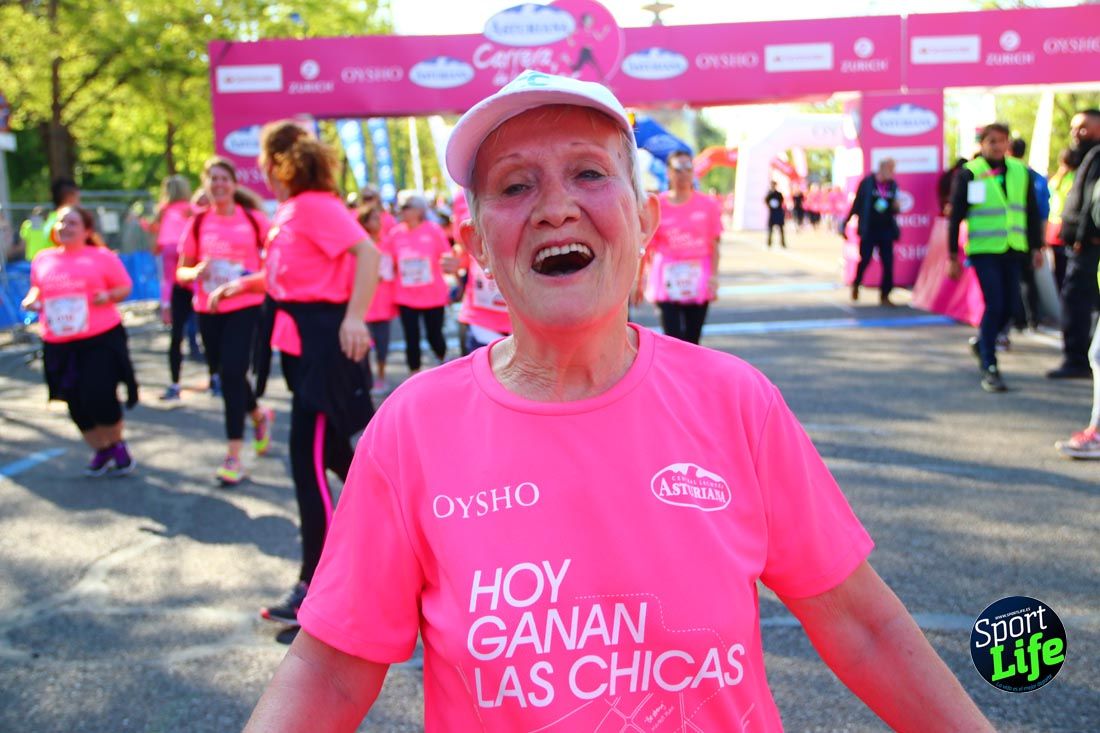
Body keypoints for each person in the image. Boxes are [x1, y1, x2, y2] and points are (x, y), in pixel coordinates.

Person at [245, 70, 993, 733]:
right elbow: (332, 668)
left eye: (590, 174)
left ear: (646, 220)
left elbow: (861, 625)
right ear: (475, 244)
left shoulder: (735, 402)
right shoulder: (412, 429)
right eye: (515, 185)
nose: (555, 207)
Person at [210, 120, 379, 624]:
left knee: (308, 465)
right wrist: (243, 286)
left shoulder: (313, 206)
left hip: (324, 345)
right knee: (341, 462)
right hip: (302, 343)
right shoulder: (291, 210)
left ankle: (315, 586)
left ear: (274, 161)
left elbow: (367, 253)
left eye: (263, 156)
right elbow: (292, 277)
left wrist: (353, 317)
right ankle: (415, 537)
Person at [176, 158, 274, 486]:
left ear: (233, 184)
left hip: (245, 303)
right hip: (208, 307)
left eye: (223, 178)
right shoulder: (198, 222)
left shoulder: (254, 219)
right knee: (224, 372)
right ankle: (259, 415)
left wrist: (252, 280)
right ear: (206, 184)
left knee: (233, 372)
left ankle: (233, 455)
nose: (218, 184)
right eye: (212, 179)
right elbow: (181, 271)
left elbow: (272, 261)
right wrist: (195, 273)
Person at [21, 206, 137, 475]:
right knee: (75, 401)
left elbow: (124, 287)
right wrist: (32, 300)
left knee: (98, 394)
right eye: (62, 222)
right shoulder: (43, 258)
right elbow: (37, 288)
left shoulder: (101, 257)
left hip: (99, 338)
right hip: (59, 342)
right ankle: (102, 450)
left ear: (86, 230)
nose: (65, 227)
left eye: (72, 223)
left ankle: (117, 444)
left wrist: (107, 297)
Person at [947, 123, 1044, 393]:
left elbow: (1032, 213)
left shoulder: (1019, 172)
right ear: (982, 143)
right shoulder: (970, 173)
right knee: (996, 303)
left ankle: (982, 342)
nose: (997, 146)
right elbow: (955, 217)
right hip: (984, 250)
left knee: (1013, 307)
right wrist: (952, 255)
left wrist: (1037, 247)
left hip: (1014, 248)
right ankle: (990, 364)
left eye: (1002, 141)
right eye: (992, 141)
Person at [639, 149, 721, 344]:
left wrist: (714, 277)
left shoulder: (708, 205)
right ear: (668, 172)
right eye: (678, 168)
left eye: (688, 168)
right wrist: (638, 279)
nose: (684, 173)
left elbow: (715, 244)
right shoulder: (657, 205)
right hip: (666, 279)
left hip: (698, 277)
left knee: (692, 341)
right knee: (673, 339)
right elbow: (647, 246)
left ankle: (691, 375)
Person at [1047, 108, 1100, 380]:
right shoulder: (1088, 156)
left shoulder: (1097, 155)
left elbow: (1095, 201)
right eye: (1073, 127)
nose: (1076, 133)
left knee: (1076, 300)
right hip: (1082, 244)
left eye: (1083, 127)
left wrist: (1082, 237)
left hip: (1087, 247)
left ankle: (1077, 359)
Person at [389, 190, 454, 373]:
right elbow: (389, 264)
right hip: (405, 296)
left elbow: (447, 257)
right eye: (400, 207)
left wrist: (453, 269)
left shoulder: (433, 230)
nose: (401, 211)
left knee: (435, 336)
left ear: (419, 210)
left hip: (433, 295)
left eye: (406, 207)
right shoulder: (395, 234)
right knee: (411, 338)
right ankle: (414, 375)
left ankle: (443, 361)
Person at [152, 175, 202, 401]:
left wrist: (165, 303)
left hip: (178, 275)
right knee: (202, 324)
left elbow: (158, 252)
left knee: (177, 332)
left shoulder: (164, 211)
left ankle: (174, 383)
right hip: (193, 271)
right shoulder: (191, 210)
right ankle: (215, 376)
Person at [453, 187, 512, 353]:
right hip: (482, 317)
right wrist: (456, 264)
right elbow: (464, 250)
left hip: (532, 321)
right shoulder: (461, 197)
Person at [844, 158, 900, 306]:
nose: (893, 172)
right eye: (891, 169)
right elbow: (857, 204)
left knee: (888, 263)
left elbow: (895, 207)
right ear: (883, 169)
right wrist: (846, 221)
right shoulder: (867, 183)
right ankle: (857, 283)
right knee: (866, 259)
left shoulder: (892, 185)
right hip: (869, 229)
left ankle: (885, 295)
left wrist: (896, 206)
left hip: (886, 229)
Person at [1008, 138, 1051, 330]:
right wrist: (1040, 240)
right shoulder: (1036, 176)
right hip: (1026, 237)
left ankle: (1020, 319)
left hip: (1011, 238)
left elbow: (1038, 210)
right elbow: (1042, 212)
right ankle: (1032, 318)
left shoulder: (1013, 174)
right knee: (1027, 279)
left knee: (1016, 280)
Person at [360, 204, 397, 395]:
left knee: (382, 345)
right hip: (364, 305)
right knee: (363, 348)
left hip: (384, 303)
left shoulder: (388, 242)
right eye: (374, 218)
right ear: (365, 223)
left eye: (379, 217)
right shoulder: (359, 246)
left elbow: (397, 266)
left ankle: (381, 376)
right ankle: (365, 381)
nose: (379, 221)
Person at [1047, 148, 1079, 290]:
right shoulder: (1076, 178)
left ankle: (1058, 292)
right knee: (1066, 265)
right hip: (1066, 225)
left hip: (1053, 225)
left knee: (1057, 265)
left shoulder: (1056, 179)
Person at [764, 180, 786, 248]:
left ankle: (782, 243)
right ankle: (769, 242)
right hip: (772, 213)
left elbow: (782, 201)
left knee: (781, 229)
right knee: (770, 229)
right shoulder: (769, 194)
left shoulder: (779, 194)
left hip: (778, 212)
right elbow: (766, 201)